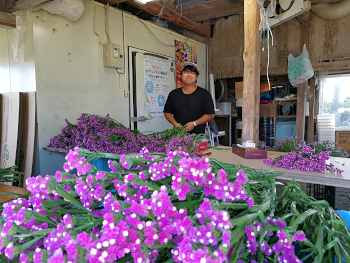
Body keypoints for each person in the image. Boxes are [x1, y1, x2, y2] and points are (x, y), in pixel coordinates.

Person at [164, 62, 215, 134]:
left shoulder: (204, 94)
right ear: (181, 76)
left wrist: (194, 123)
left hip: (198, 136)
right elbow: (167, 112)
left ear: (197, 76)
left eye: (192, 72)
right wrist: (175, 124)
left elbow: (210, 114)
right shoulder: (174, 94)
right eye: (185, 72)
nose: (188, 75)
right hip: (178, 135)